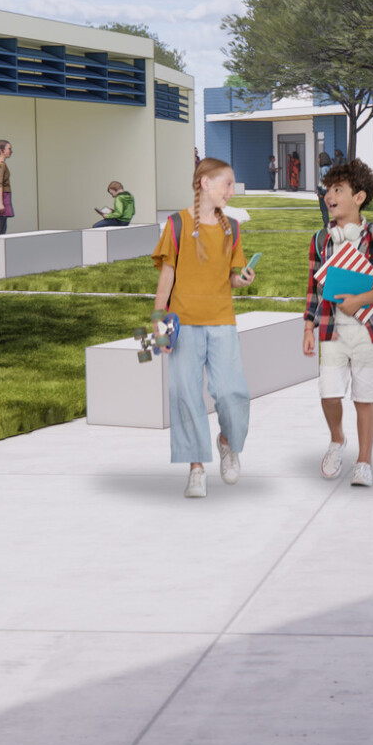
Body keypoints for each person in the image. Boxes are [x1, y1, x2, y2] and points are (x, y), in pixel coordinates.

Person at [150, 157, 258, 499]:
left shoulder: (232, 228)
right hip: (183, 324)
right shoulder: (176, 224)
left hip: (222, 321)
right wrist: (158, 325)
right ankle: (196, 467)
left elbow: (231, 277)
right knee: (186, 395)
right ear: (205, 183)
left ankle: (227, 441)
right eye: (227, 184)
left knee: (232, 393)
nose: (231, 191)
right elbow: (166, 278)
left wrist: (242, 279)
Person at [304, 158, 373, 487]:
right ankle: (337, 439)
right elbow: (312, 288)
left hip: (367, 331)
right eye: (327, 190)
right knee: (329, 395)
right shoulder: (321, 240)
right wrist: (308, 327)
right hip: (331, 330)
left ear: (359, 197)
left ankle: (364, 461)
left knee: (364, 398)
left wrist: (360, 300)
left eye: (338, 190)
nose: (329, 196)